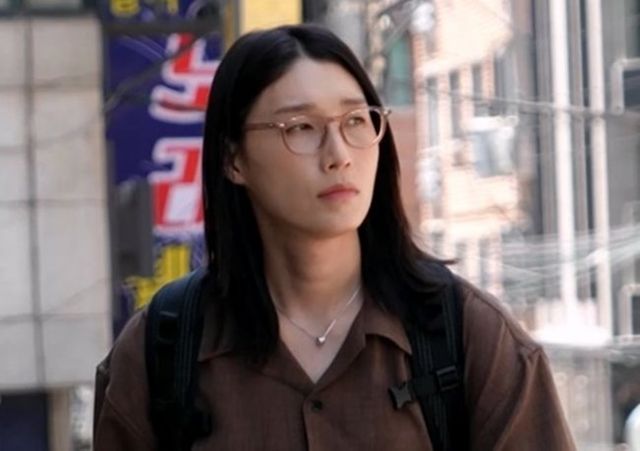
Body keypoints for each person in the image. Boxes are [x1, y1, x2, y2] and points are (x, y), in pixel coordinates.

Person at [93, 24, 576, 450]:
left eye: (355, 121)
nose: (339, 154)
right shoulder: (164, 351)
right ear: (233, 160)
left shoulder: (470, 337)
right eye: (301, 127)